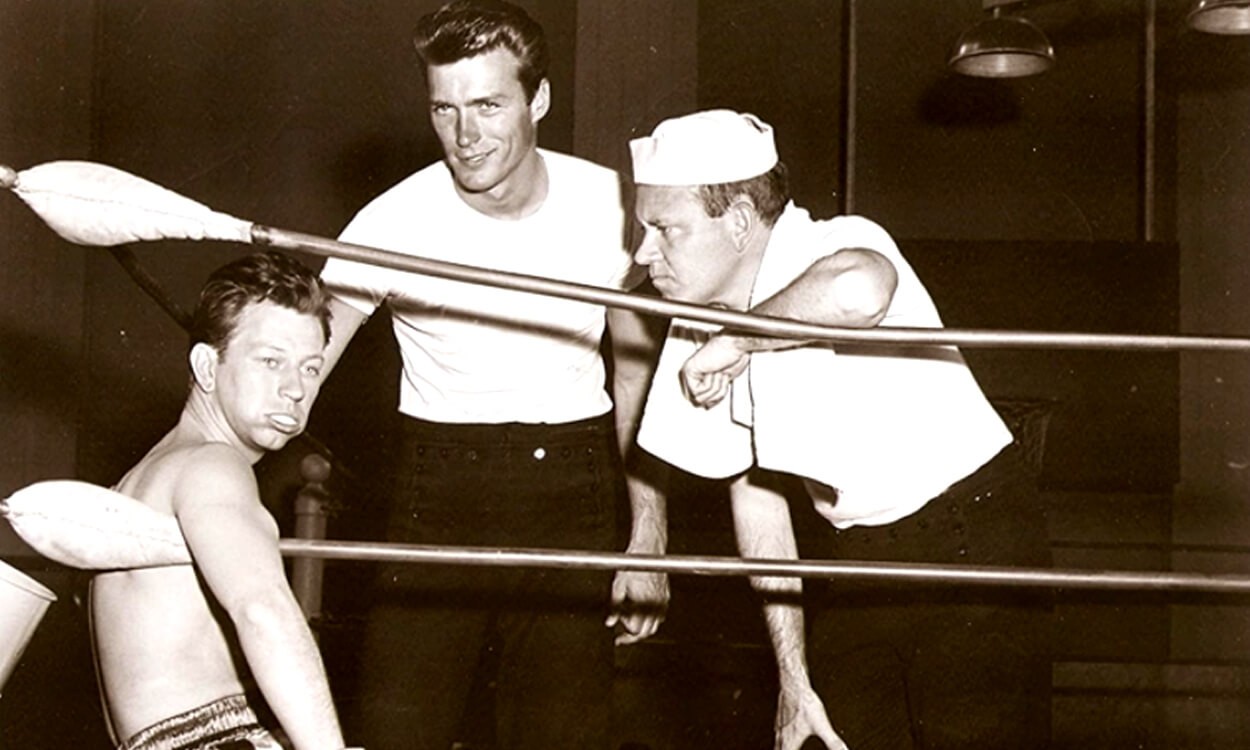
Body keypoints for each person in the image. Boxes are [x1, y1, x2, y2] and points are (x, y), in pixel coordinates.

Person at [628, 110, 1053, 750]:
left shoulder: (835, 243)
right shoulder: (694, 319)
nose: (643, 252)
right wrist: (793, 680)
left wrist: (738, 340)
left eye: (664, 229)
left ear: (738, 221)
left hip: (973, 535)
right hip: (861, 558)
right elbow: (757, 501)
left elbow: (859, 293)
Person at [316, 2, 666, 748]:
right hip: (438, 485)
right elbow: (303, 363)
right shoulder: (389, 222)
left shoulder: (613, 205)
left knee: (562, 739)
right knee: (396, 732)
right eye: (443, 109)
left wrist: (648, 534)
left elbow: (636, 373)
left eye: (487, 105)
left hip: (572, 482)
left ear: (539, 100)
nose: (464, 136)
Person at [90, 251, 354, 750]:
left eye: (310, 367)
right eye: (270, 361)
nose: (296, 389)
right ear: (207, 366)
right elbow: (264, 611)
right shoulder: (211, 465)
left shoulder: (146, 476)